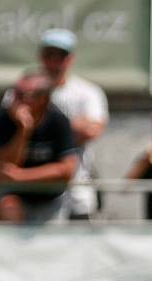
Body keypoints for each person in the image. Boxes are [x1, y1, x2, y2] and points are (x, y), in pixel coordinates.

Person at [37, 28, 108, 220]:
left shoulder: (87, 92)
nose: (54, 62)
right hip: (33, 191)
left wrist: (45, 129)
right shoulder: (22, 91)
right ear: (41, 57)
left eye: (61, 56)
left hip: (76, 188)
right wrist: (73, 128)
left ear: (70, 58)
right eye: (49, 55)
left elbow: (93, 130)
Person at [0, 70, 78, 223]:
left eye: (22, 95)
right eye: (14, 92)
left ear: (43, 99)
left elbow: (66, 170)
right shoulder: (1, 119)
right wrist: (23, 130)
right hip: (13, 196)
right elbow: (5, 169)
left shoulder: (58, 121)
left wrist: (21, 176)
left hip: (51, 202)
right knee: (8, 207)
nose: (14, 100)